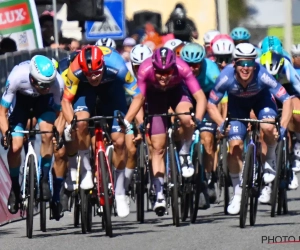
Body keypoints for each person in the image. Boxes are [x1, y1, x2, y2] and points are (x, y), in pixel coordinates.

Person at [207, 43, 292, 215]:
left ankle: (270, 160)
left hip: (262, 102)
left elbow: (287, 99)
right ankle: (237, 194)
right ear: (234, 64)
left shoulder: (262, 74)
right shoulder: (226, 77)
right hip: (238, 107)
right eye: (242, 64)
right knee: (235, 146)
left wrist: (282, 125)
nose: (246, 68)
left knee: (268, 127)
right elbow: (211, 104)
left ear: (255, 64)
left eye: (250, 64)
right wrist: (221, 123)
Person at [61, 45, 143, 218]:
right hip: (85, 92)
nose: (93, 77)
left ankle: (120, 192)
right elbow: (66, 102)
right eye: (88, 74)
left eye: (96, 73)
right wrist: (72, 124)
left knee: (119, 141)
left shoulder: (118, 66)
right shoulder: (75, 68)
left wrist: (127, 121)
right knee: (82, 123)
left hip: (112, 91)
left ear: (102, 66)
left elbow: (138, 97)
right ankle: (86, 170)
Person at [131, 47, 207, 215]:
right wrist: (141, 122)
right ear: (153, 67)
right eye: (159, 72)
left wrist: (198, 119)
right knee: (158, 147)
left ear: (174, 66)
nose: (164, 76)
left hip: (176, 93)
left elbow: (200, 97)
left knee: (187, 118)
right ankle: (159, 194)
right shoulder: (144, 69)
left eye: (168, 72)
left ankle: (185, 153)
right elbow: (138, 99)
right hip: (154, 98)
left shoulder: (182, 68)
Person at [0, 56, 64, 214]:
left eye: (49, 84)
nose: (47, 88)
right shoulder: (17, 75)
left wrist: (58, 132)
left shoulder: (57, 83)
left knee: (48, 135)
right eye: (43, 85)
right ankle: (15, 188)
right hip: (21, 104)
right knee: (15, 146)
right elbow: (2, 111)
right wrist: (6, 133)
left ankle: (44, 178)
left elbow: (58, 112)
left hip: (44, 104)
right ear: (32, 79)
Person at [180, 43, 227, 208]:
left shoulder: (212, 70)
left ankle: (208, 178)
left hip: (208, 99)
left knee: (207, 139)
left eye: (196, 64)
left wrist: (222, 122)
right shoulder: (178, 69)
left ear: (202, 62)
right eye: (188, 64)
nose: (192, 68)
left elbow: (223, 99)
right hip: (186, 97)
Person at [260, 50, 300, 193]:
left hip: (287, 94)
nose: (274, 78)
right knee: (263, 130)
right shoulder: (258, 70)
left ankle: (290, 162)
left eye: (276, 75)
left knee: (296, 113)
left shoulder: (288, 68)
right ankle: (264, 175)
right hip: (266, 96)